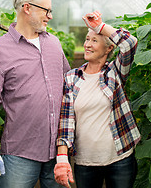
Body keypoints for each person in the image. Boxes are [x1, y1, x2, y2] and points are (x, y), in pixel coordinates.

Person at [0, 0, 70, 188]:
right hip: (20, 152)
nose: (50, 16)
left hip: (58, 152)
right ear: (27, 8)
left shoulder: (54, 44)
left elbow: (68, 88)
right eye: (46, 10)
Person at [54, 11, 141, 188]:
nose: (87, 44)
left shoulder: (114, 72)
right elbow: (66, 121)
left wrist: (100, 27)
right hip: (85, 162)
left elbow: (130, 43)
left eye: (94, 40)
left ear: (109, 48)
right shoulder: (71, 77)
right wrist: (62, 159)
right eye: (87, 39)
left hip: (120, 157)